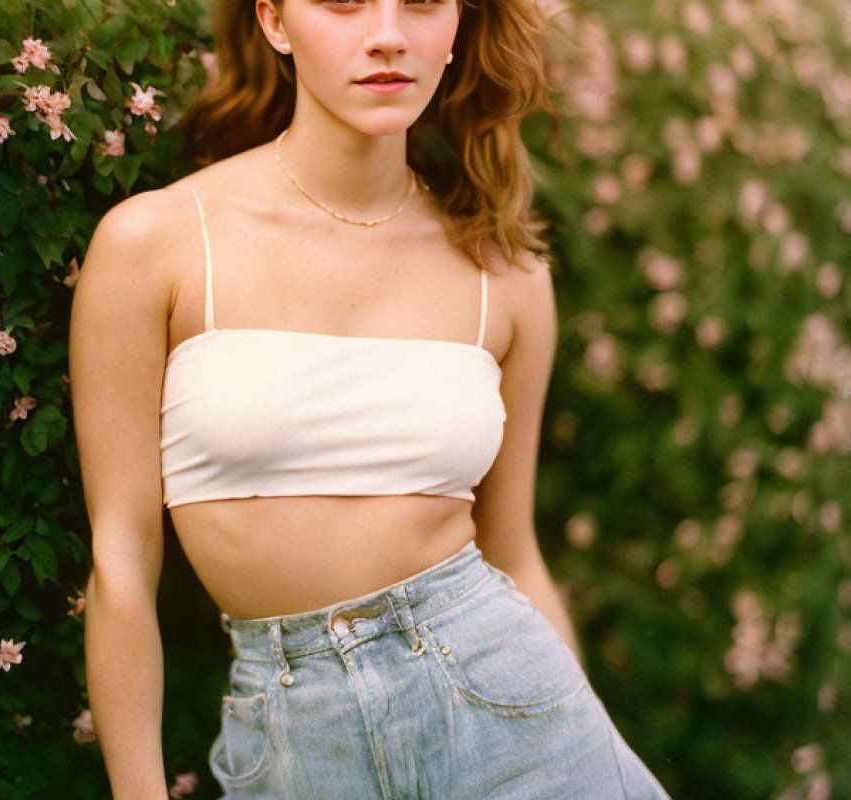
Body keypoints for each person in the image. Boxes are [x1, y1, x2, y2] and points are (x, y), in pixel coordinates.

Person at [69, 0, 673, 796]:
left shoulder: (507, 275)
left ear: (459, 28)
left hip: (513, 712)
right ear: (274, 22)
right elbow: (120, 559)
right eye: (345, 0)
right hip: (294, 739)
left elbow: (514, 550)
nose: (387, 32)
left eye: (422, 1)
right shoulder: (159, 244)